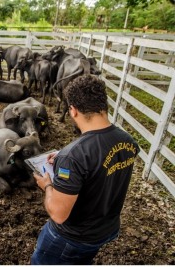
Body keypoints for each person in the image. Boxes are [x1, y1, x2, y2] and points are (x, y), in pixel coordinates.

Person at [31, 74, 139, 265]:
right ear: (104, 104)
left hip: (71, 239)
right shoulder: (128, 141)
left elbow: (58, 213)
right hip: (105, 229)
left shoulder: (74, 156)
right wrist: (65, 157)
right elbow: (103, 159)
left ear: (72, 110)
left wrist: (47, 185)